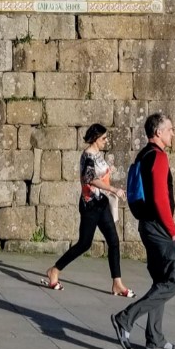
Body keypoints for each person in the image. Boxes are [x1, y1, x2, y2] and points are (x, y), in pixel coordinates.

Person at [111, 113, 175, 349]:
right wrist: (172, 231)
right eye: (170, 129)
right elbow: (160, 197)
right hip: (160, 228)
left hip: (146, 225)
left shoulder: (143, 155)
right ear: (158, 132)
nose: (173, 133)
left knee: (159, 282)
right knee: (172, 283)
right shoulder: (160, 157)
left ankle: (155, 338)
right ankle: (126, 318)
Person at [42, 123, 134, 297]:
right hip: (90, 205)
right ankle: (54, 270)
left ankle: (117, 283)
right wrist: (113, 189)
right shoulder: (88, 156)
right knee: (84, 244)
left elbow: (99, 175)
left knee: (113, 241)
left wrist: (109, 172)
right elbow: (90, 179)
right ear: (95, 139)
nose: (106, 141)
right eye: (103, 138)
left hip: (101, 204)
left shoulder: (98, 154)